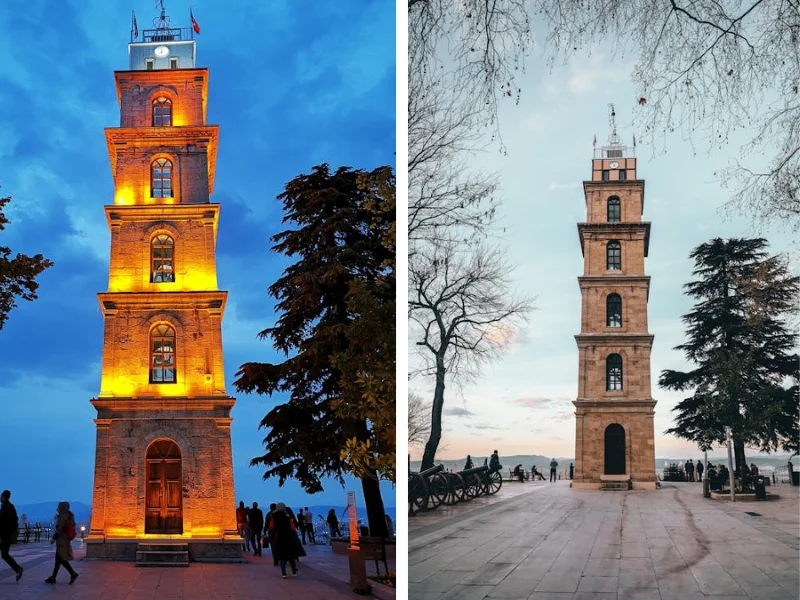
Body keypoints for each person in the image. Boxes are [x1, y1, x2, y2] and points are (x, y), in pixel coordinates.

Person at [45, 501, 78, 585]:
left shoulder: (63, 516)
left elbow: (59, 529)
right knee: (58, 559)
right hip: (64, 540)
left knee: (61, 559)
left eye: (59, 506)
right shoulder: (68, 515)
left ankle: (73, 573)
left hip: (62, 540)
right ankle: (53, 577)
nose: (58, 508)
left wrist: (53, 538)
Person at [269, 503, 300, 579]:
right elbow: (292, 527)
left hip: (279, 537)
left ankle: (284, 573)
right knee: (291, 555)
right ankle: (294, 572)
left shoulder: (273, 516)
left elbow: (271, 526)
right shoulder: (287, 516)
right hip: (288, 537)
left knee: (282, 556)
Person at [0, 490, 22, 582]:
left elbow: (4, 521)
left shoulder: (6, 507)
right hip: (7, 535)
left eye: (1, 496)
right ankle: (18, 569)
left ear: (4, 497)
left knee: (5, 555)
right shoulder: (10, 506)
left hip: (5, 535)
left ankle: (18, 569)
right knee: (5, 555)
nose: (0, 498)